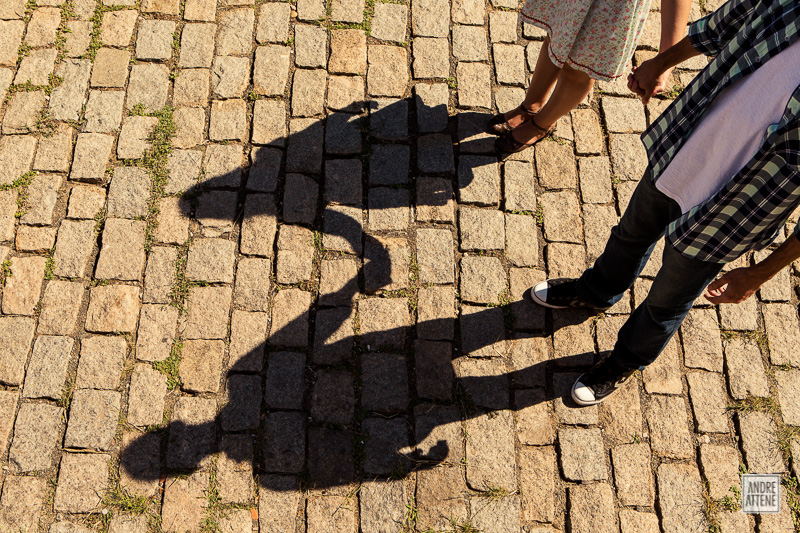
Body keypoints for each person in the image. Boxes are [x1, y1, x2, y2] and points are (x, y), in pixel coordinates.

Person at [529, 0, 800, 406]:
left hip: (741, 206)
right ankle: (598, 290)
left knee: (667, 300)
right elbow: (720, 25)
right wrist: (660, 63)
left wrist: (760, 273)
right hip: (687, 146)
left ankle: (626, 360)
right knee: (630, 234)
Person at [489, 0, 692, 153]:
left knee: (580, 67)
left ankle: (540, 125)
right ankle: (531, 106)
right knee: (557, 37)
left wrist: (665, 62)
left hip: (613, 8)